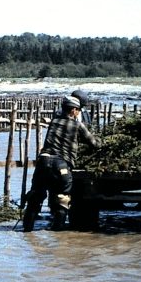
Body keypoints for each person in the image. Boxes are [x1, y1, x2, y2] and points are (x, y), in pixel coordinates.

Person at [22, 92, 101, 231]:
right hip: (61, 165)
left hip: (43, 162)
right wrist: (100, 141)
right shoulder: (78, 126)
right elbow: (94, 143)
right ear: (73, 110)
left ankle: (27, 231)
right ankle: (57, 233)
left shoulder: (54, 121)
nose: (78, 113)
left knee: (35, 197)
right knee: (62, 200)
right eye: (78, 110)